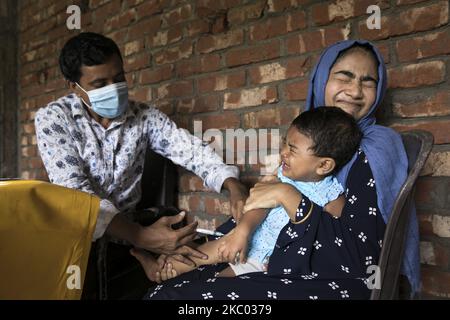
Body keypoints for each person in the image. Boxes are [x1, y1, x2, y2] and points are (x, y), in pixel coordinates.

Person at [144, 39, 417, 300]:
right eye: (344, 77)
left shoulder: (376, 149)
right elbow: (263, 204)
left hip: (326, 275)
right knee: (170, 286)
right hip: (271, 252)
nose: (356, 91)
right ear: (322, 80)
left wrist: (287, 195)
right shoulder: (306, 140)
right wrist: (232, 233)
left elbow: (360, 258)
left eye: (368, 81)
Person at [34, 32, 249, 271]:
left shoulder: (143, 117)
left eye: (118, 78)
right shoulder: (55, 119)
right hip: (76, 237)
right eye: (100, 84)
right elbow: (75, 193)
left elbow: (190, 150)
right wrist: (141, 236)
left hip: (127, 234)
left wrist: (232, 184)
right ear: (74, 87)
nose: (113, 89)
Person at [134, 107, 362, 282]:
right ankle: (158, 268)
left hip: (265, 260)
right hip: (249, 238)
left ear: (323, 165)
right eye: (285, 143)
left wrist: (288, 260)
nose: (283, 152)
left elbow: (330, 237)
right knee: (196, 255)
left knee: (218, 283)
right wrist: (241, 232)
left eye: (292, 150)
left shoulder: (332, 196)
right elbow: (258, 206)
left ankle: (170, 272)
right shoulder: (281, 177)